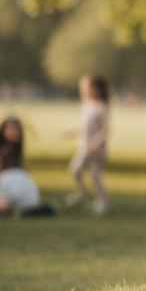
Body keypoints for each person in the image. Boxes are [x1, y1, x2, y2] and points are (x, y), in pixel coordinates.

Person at [0, 116, 53, 216]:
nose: (14, 132)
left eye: (16, 128)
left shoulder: (13, 152)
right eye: (10, 128)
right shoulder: (2, 152)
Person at [65, 74, 111, 214]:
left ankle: (103, 202)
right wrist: (73, 132)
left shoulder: (101, 107)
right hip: (85, 147)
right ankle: (82, 193)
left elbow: (105, 129)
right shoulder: (86, 105)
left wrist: (96, 142)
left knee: (95, 177)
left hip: (96, 149)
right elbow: (86, 127)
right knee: (75, 170)